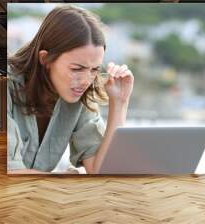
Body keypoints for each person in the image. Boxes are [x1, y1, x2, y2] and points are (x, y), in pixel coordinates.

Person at [7, 5, 134, 174]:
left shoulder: (80, 98)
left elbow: (101, 171)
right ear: (45, 59)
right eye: (76, 69)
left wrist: (120, 102)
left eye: (94, 69)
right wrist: (65, 181)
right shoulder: (3, 84)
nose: (86, 81)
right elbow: (9, 173)